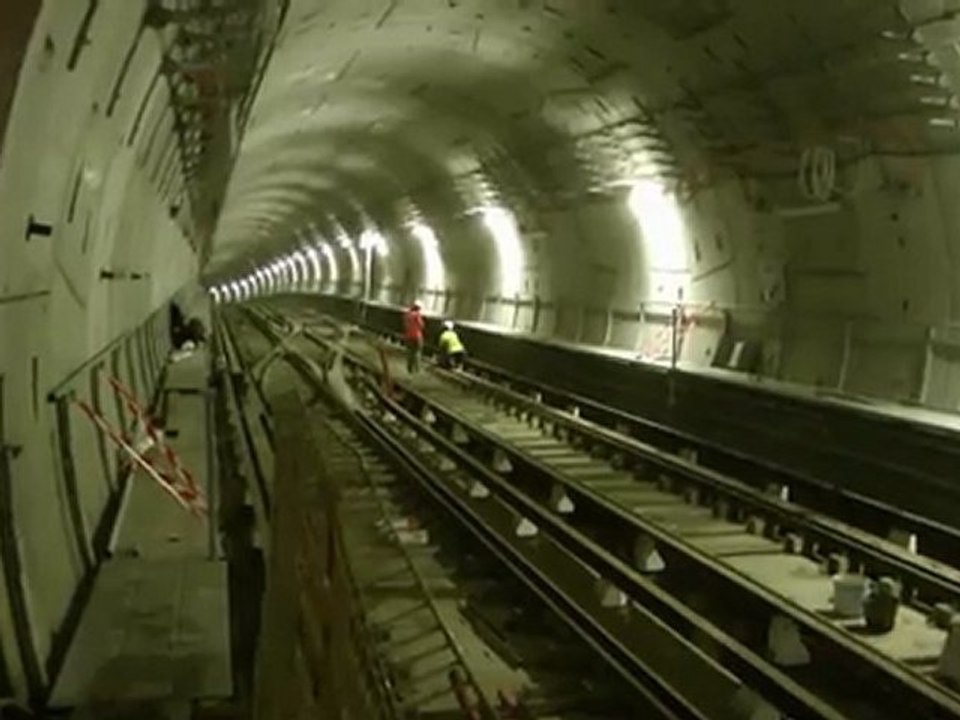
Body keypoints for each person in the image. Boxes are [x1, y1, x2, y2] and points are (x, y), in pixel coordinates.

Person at [403, 301, 425, 374]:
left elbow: (405, 325)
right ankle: (417, 369)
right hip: (417, 336)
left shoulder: (407, 314)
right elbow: (421, 325)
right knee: (417, 352)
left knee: (410, 352)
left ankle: (409, 368)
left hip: (408, 336)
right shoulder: (417, 315)